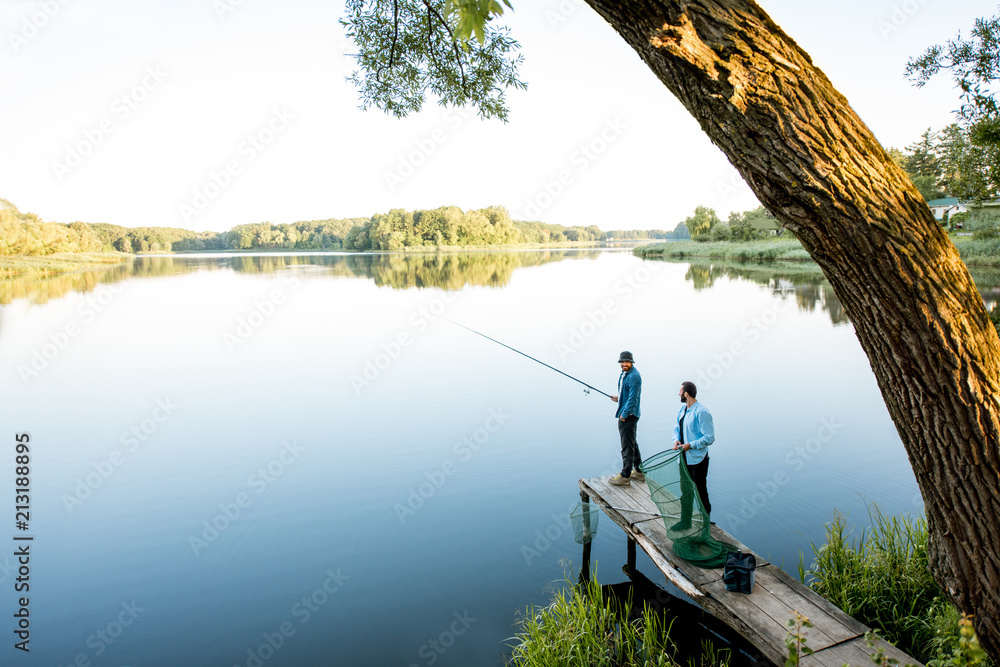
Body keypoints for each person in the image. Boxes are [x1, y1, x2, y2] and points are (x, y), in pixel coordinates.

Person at [671, 381, 715, 527]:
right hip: (683, 459)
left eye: (680, 391)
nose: (678, 393)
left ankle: (706, 524)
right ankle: (685, 522)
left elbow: (709, 437)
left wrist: (691, 445)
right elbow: (676, 428)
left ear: (686, 393)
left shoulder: (702, 412)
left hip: (698, 460)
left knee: (701, 491)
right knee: (686, 493)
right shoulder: (682, 410)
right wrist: (676, 440)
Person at [609, 351, 642, 486]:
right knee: (632, 442)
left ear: (632, 362)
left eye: (627, 362)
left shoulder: (634, 376)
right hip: (628, 413)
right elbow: (627, 394)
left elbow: (633, 399)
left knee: (626, 446)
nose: (624, 364)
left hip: (629, 415)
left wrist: (624, 414)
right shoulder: (625, 374)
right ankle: (640, 471)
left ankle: (625, 475)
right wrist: (619, 398)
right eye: (622, 362)